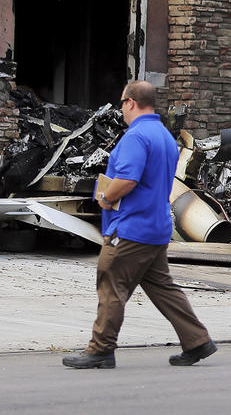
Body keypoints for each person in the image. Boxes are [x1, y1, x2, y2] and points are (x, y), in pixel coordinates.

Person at [62, 81, 217, 369]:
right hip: (156, 227)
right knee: (163, 288)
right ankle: (197, 341)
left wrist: (106, 197)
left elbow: (128, 179)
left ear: (131, 102)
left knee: (111, 285)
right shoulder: (165, 137)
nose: (121, 109)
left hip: (130, 229)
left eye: (122, 103)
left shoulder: (135, 137)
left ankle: (100, 350)